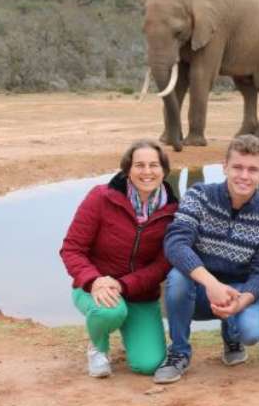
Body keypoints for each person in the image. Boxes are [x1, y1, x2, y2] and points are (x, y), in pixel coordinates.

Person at [154, 134, 259, 383]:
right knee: (177, 278)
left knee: (252, 332)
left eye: (252, 169)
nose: (244, 176)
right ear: (224, 166)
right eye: (237, 167)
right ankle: (179, 352)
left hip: (236, 292)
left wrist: (242, 301)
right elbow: (176, 244)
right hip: (197, 288)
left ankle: (233, 337)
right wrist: (211, 284)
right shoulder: (199, 195)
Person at [59, 139, 178, 378]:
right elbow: (72, 249)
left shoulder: (174, 212)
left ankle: (132, 332)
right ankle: (98, 348)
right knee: (109, 312)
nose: (147, 172)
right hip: (96, 287)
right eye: (139, 165)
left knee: (149, 364)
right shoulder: (101, 197)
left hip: (139, 293)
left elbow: (162, 265)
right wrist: (94, 281)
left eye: (154, 165)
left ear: (164, 170)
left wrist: (124, 285)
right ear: (127, 169)